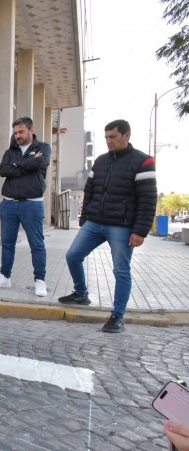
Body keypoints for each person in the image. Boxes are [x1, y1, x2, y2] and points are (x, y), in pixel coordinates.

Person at [57, 119, 157, 333]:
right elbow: (90, 190)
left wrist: (140, 231)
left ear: (126, 135)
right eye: (106, 137)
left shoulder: (143, 161)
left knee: (121, 271)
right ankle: (81, 294)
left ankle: (118, 316)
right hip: (95, 222)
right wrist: (85, 218)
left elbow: (148, 199)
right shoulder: (101, 161)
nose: (108, 141)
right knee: (73, 256)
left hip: (122, 226)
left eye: (113, 137)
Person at [0, 116, 51, 297]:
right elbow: (3, 170)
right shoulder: (10, 151)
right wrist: (26, 165)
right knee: (7, 243)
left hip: (32, 204)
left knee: (36, 244)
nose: (18, 135)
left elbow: (40, 163)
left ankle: (40, 281)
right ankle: (4, 277)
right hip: (8, 204)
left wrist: (16, 165)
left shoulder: (43, 148)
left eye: (21, 132)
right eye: (15, 132)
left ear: (31, 131)